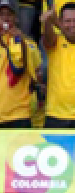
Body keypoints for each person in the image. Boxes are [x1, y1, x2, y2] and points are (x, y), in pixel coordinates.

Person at [0, 0, 42, 128]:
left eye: (9, 14)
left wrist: (18, 41)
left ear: (16, 18)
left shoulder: (29, 44)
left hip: (20, 114)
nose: (6, 18)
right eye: (1, 15)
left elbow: (20, 68)